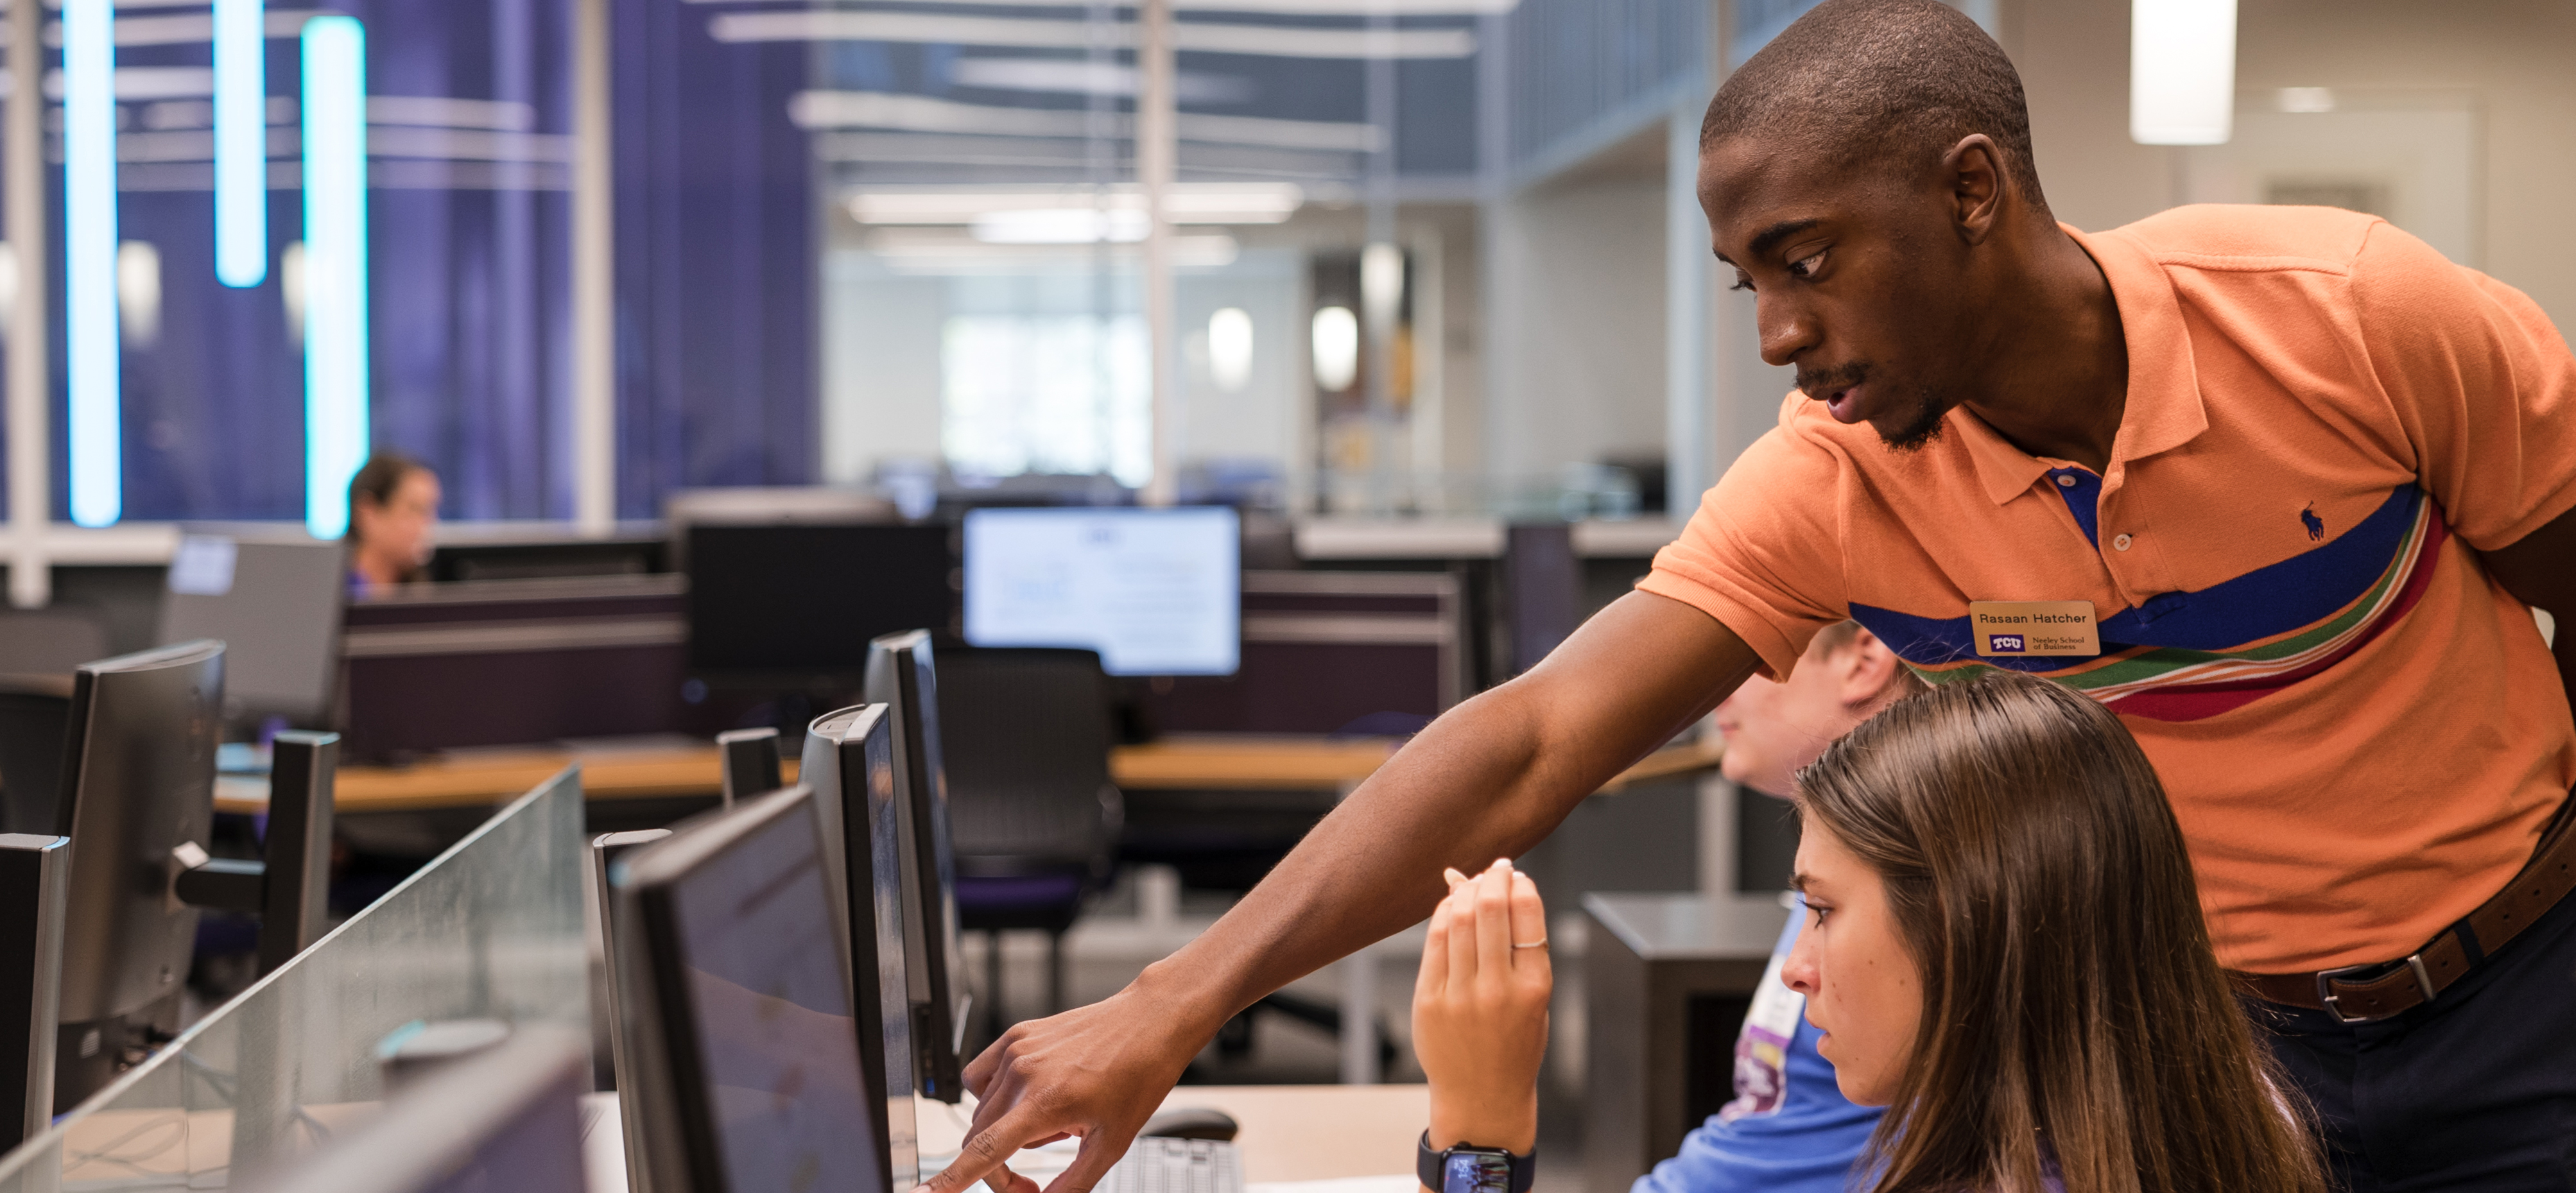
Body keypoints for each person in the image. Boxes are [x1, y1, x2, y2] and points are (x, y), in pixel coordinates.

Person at [924, 2, 2576, 1189]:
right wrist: (1173, 998)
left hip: (2521, 995)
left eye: (1806, 259)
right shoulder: (1838, 475)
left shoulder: (2354, 319)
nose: (1776, 334)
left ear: (1971, 190)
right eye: (1748, 286)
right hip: (2186, 1042)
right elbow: (1535, 740)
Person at [1409, 676, 2326, 1193]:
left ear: (1969, 924)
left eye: (1824, 909)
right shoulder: (2227, 1129)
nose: (1798, 970)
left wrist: (1478, 1131)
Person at [1637, 621, 1915, 1193]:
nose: (1717, 692)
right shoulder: (1835, 869)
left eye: (1744, 657)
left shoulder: (1906, 881)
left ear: (1862, 659)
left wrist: (1484, 1133)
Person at [345, 452, 440, 597]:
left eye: (431, 511)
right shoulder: (328, 596)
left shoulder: (424, 595)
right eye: (415, 509)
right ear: (368, 513)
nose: (429, 523)